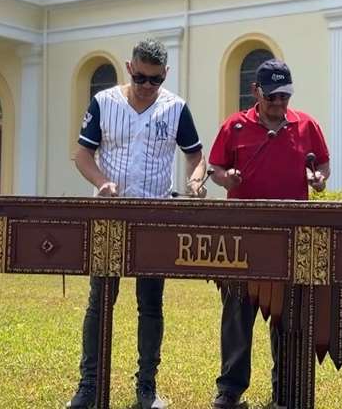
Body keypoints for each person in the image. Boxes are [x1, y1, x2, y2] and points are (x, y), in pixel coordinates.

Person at [67, 38, 209, 409]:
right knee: (100, 302)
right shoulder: (103, 103)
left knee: (150, 304)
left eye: (155, 80)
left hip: (154, 217)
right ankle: (89, 386)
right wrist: (102, 182)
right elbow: (82, 155)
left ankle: (146, 388)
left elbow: (196, 156)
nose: (147, 87)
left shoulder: (176, 108)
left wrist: (195, 181)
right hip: (111, 216)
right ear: (130, 68)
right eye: (142, 78)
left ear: (166, 75)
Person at [208, 58, 330, 409]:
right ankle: (230, 390)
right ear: (255, 92)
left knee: (287, 313)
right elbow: (215, 167)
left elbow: (321, 163)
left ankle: (286, 392)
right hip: (242, 234)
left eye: (284, 97)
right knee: (237, 312)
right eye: (272, 97)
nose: (278, 104)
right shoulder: (235, 127)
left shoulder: (307, 125)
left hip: (291, 235)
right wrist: (224, 178)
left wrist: (318, 179)